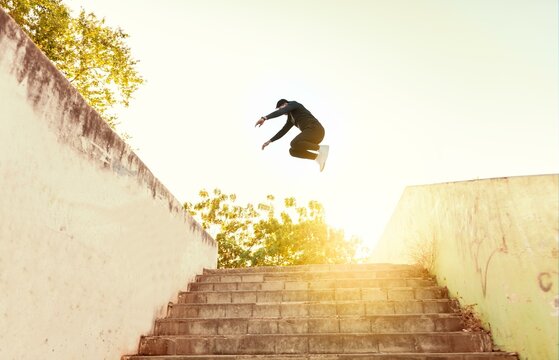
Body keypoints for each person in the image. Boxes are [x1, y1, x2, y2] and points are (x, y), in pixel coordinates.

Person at [255, 99, 329, 171]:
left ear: (285, 104)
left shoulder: (294, 104)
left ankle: (321, 148)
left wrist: (264, 118)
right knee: (293, 151)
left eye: (281, 108)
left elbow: (281, 111)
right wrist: (269, 141)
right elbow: (283, 131)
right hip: (312, 137)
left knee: (294, 143)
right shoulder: (291, 119)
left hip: (316, 130)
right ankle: (318, 157)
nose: (284, 113)